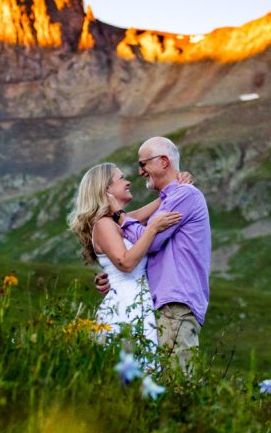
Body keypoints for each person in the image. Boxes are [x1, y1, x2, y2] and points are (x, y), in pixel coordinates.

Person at [95, 137, 211, 373]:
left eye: (143, 164)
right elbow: (131, 250)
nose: (138, 173)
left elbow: (152, 240)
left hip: (175, 300)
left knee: (176, 377)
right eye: (122, 177)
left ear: (163, 162)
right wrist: (109, 273)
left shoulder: (184, 195)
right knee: (160, 374)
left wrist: (121, 215)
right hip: (152, 303)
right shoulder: (174, 197)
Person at [67, 162, 181, 362]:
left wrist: (177, 186)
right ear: (106, 189)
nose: (128, 182)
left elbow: (153, 208)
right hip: (125, 305)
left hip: (139, 302)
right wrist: (152, 229)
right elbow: (126, 263)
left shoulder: (118, 221)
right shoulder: (103, 225)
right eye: (121, 178)